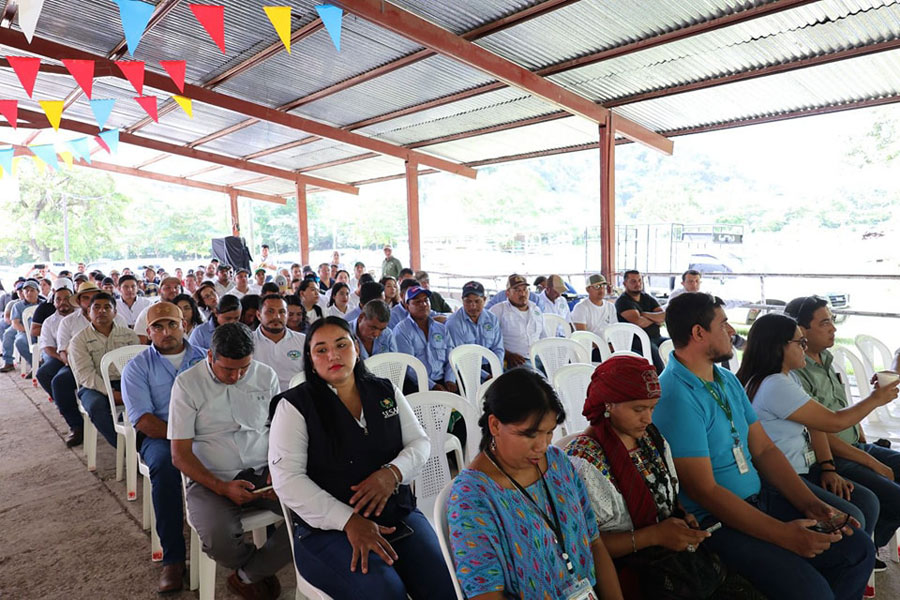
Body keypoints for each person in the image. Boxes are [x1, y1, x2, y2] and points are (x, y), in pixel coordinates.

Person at [652, 292, 874, 600]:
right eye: (723, 324)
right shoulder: (676, 395)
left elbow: (764, 450)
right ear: (699, 333)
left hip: (760, 497)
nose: (732, 331)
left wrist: (810, 503)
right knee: (813, 591)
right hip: (717, 522)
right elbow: (705, 491)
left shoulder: (725, 379)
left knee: (857, 548)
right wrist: (783, 535)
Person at [268, 316, 455, 599]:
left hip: (395, 513)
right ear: (310, 359)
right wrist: (349, 521)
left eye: (341, 345)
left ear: (356, 347)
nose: (333, 355)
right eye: (321, 349)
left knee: (446, 583)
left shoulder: (384, 391)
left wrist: (393, 473)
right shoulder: (295, 406)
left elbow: (419, 443)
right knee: (385, 592)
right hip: (327, 531)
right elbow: (287, 480)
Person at [566, 356, 759, 599]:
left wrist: (681, 517)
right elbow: (587, 545)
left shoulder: (650, 438)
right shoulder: (583, 463)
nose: (647, 418)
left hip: (668, 564)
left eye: (652, 408)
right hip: (625, 576)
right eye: (638, 409)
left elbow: (667, 493)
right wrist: (654, 535)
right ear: (609, 404)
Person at [737, 312, 899, 565]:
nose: (805, 347)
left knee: (866, 501)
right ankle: (847, 562)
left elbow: (815, 425)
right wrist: (875, 399)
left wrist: (827, 466)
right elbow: (834, 422)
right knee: (854, 515)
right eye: (800, 343)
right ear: (778, 347)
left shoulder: (787, 377)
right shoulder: (774, 385)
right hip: (784, 476)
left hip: (806, 466)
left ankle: (862, 558)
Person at [447, 368, 623, 600]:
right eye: (529, 434)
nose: (542, 445)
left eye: (549, 432)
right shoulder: (472, 497)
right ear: (495, 425)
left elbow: (595, 543)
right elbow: (486, 594)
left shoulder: (558, 463)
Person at [169, 322, 289, 599]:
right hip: (211, 477)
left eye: (244, 368)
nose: (236, 376)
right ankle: (254, 569)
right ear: (210, 356)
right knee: (218, 538)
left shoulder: (265, 375)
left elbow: (278, 430)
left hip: (263, 471)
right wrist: (222, 488)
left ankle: (248, 575)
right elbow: (180, 454)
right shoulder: (187, 384)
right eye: (228, 369)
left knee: (312, 514)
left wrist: (277, 467)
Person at [786, 295, 900, 561]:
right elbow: (820, 430)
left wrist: (862, 437)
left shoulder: (826, 359)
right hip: (834, 454)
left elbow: (841, 406)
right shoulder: (796, 371)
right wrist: (871, 461)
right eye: (825, 323)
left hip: (855, 445)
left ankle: (873, 541)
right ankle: (867, 551)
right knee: (887, 496)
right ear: (801, 330)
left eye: (832, 320)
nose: (834, 328)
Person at [121, 302, 206, 593]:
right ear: (148, 332)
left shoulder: (206, 359)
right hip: (159, 435)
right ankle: (173, 558)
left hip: (204, 430)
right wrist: (182, 440)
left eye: (172, 324)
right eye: (158, 327)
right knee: (166, 467)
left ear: (185, 325)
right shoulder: (137, 367)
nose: (166, 332)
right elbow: (144, 420)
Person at [68, 292, 141, 448]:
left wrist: (129, 390)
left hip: (125, 382)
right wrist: (110, 393)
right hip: (94, 386)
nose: (102, 311)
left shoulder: (129, 335)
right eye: (96, 307)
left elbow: (138, 367)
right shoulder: (79, 340)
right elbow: (85, 374)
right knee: (96, 406)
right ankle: (125, 449)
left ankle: (145, 443)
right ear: (89, 312)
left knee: (153, 397)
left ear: (115, 312)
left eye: (107, 307)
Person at [394, 286, 458, 393]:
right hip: (417, 384)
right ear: (407, 306)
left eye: (426, 300)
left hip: (443, 380)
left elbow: (451, 357)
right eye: (417, 302)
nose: (423, 304)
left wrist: (450, 380)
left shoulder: (441, 328)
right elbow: (409, 367)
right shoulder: (402, 331)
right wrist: (432, 386)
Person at [35, 280, 77, 437]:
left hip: (81, 357)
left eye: (66, 298)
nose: (62, 302)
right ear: (54, 302)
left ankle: (66, 403)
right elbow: (48, 347)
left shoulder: (81, 316)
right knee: (43, 373)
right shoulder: (49, 322)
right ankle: (64, 405)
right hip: (59, 356)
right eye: (58, 299)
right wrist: (63, 359)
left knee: (60, 380)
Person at [445, 280, 504, 380]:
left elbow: (498, 349)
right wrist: (486, 376)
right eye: (468, 301)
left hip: (490, 366)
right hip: (465, 368)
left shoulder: (492, 319)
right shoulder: (453, 323)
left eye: (477, 301)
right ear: (462, 300)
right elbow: (460, 357)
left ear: (484, 299)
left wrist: (496, 371)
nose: (473, 306)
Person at [614, 270, 667, 372]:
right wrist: (654, 318)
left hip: (656, 337)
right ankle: (660, 379)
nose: (638, 284)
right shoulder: (623, 301)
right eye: (633, 281)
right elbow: (639, 322)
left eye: (639, 281)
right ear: (625, 284)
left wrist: (644, 314)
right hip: (636, 341)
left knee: (675, 345)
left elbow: (663, 317)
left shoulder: (647, 298)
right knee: (657, 356)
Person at [489, 274, 546, 369]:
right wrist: (507, 355)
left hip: (539, 357)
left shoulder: (536, 310)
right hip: (517, 361)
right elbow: (489, 340)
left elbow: (544, 337)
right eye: (517, 290)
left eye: (525, 289)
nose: (522, 294)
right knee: (536, 376)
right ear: (507, 293)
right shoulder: (498, 311)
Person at [252, 294, 305, 392]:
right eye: (270, 311)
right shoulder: (248, 342)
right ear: (259, 315)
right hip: (259, 397)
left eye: (282, 312)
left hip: (295, 398)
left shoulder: (303, 341)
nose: (276, 316)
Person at [1, 279, 41, 373]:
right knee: (16, 339)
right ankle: (35, 365)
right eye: (26, 291)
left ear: (38, 292)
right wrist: (30, 332)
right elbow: (15, 323)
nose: (29, 293)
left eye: (32, 290)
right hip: (25, 331)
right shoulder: (17, 305)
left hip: (42, 332)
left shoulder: (44, 304)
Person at [135, 276, 183, 343]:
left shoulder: (187, 310)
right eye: (168, 288)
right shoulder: (149, 312)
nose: (173, 290)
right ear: (159, 291)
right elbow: (141, 339)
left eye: (176, 287)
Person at [571, 274, 617, 341]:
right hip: (589, 346)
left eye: (603, 286)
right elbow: (583, 336)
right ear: (587, 289)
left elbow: (615, 330)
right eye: (597, 286)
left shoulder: (610, 307)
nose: (601, 289)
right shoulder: (580, 308)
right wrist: (601, 345)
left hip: (608, 344)